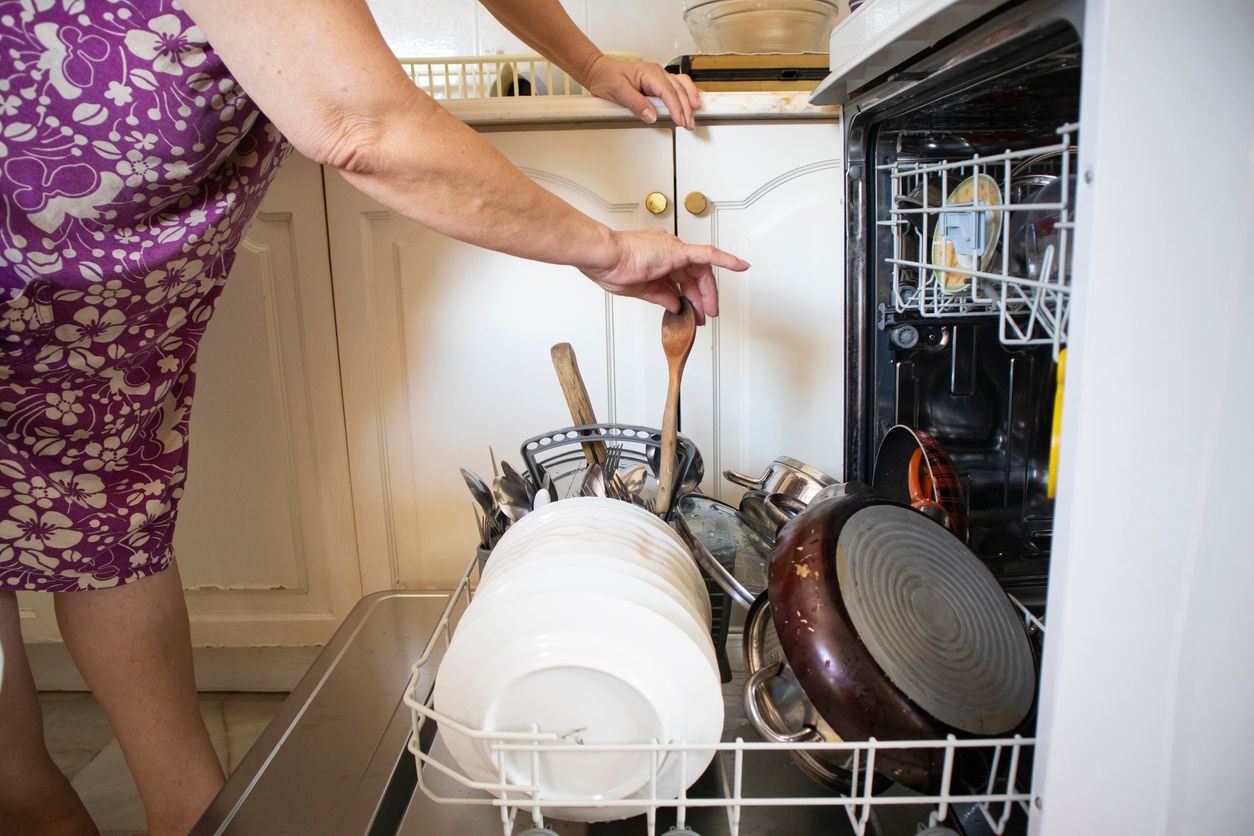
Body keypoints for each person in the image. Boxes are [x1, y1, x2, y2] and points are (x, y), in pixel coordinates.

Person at [0, 0, 749, 832]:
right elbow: (361, 126)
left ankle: (153, 811)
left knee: (108, 511)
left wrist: (590, 63)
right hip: (32, 231)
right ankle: (47, 802)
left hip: (104, 273)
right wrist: (606, 250)